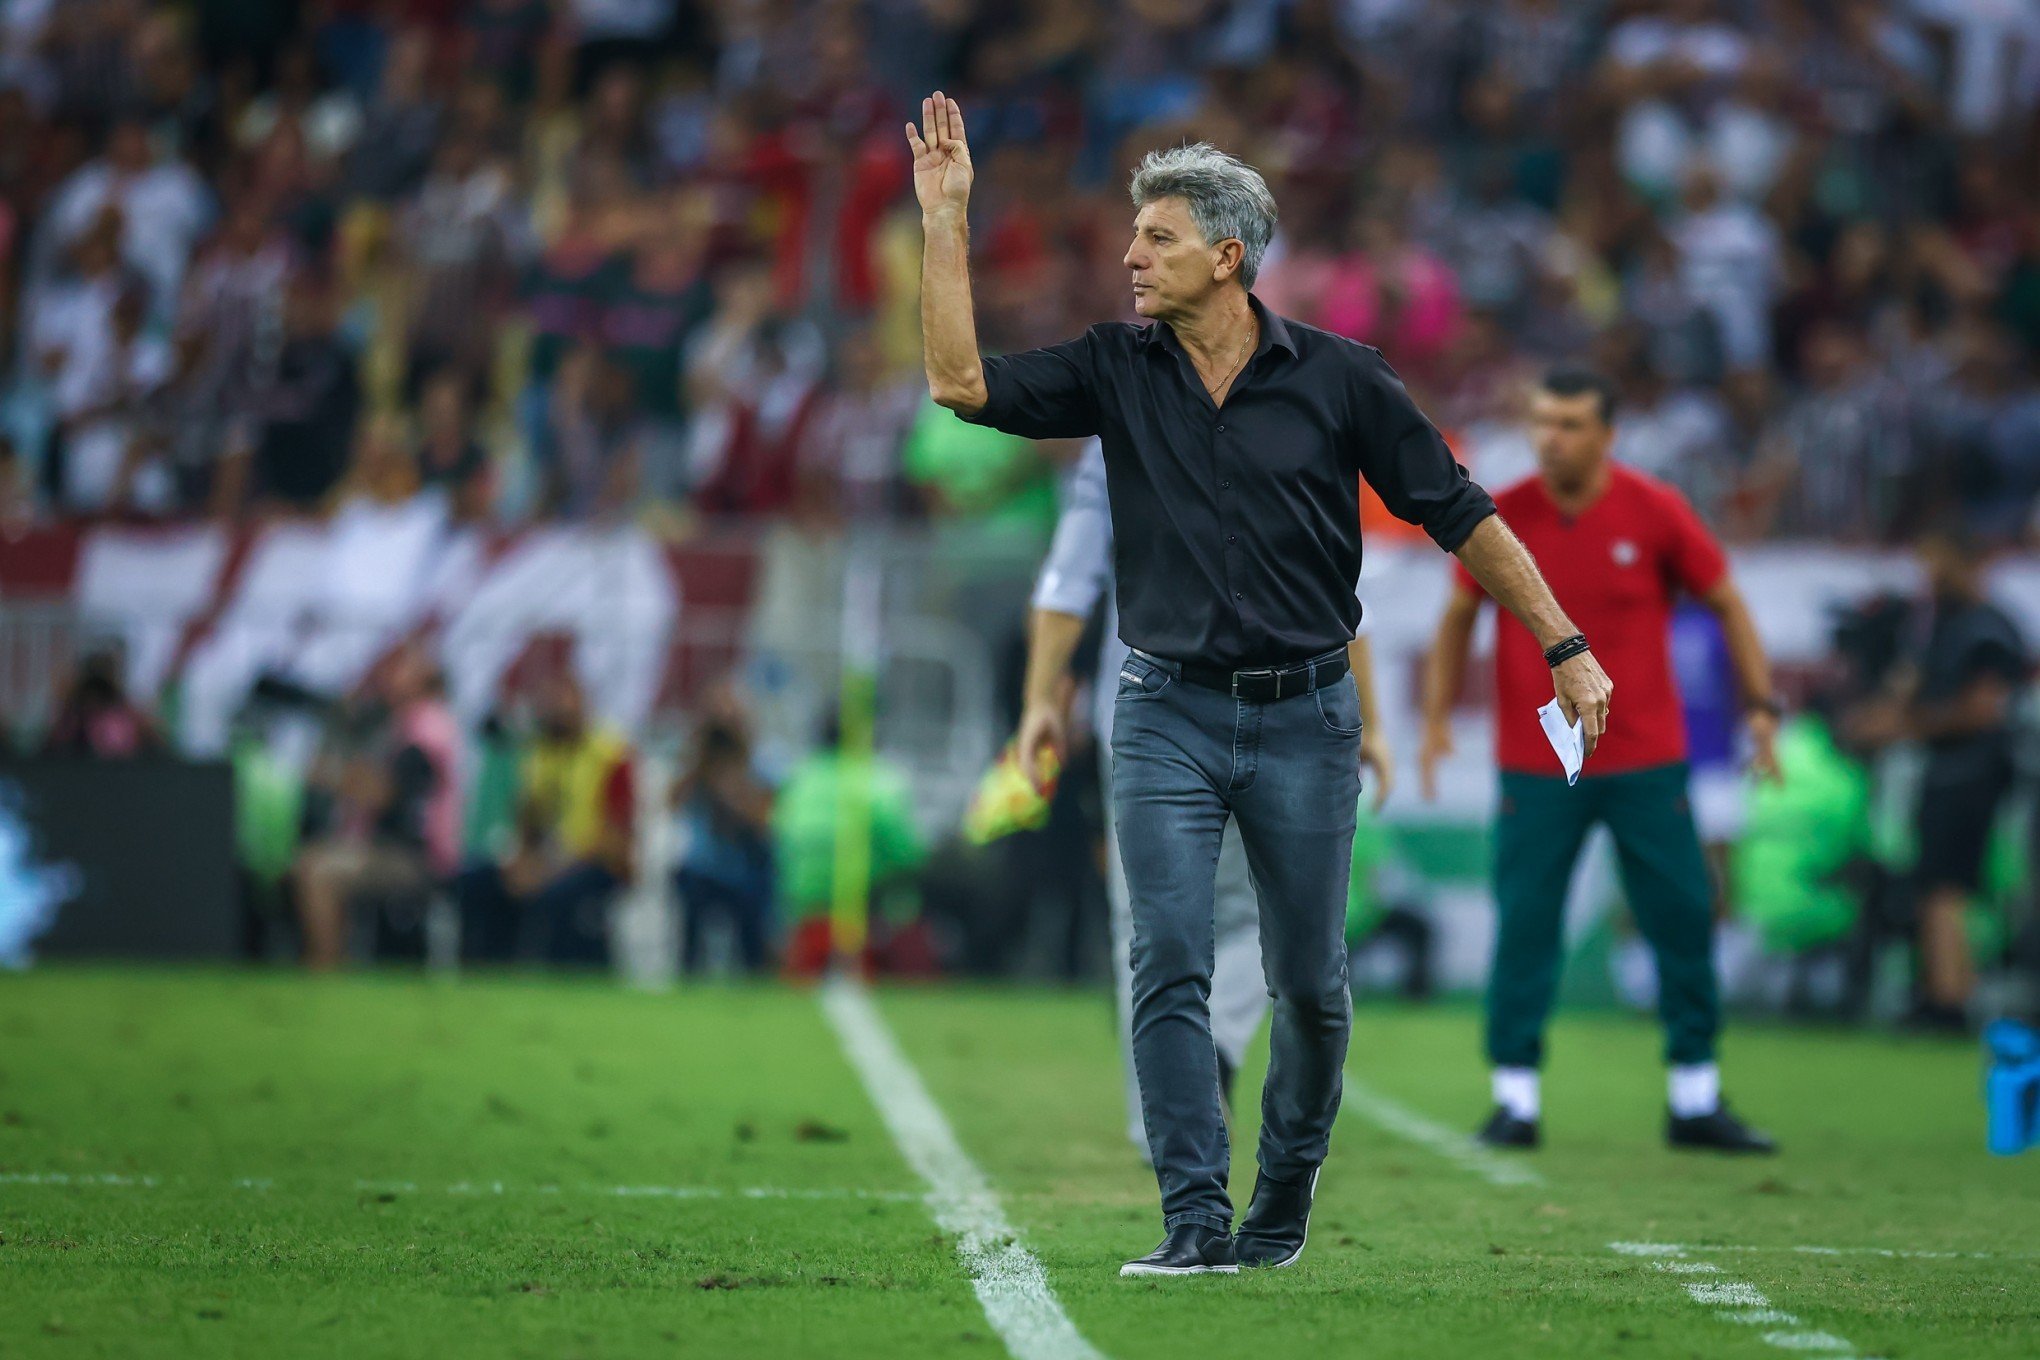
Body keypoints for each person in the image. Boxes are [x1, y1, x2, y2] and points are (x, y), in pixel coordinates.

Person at [910, 94, 1610, 1276]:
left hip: (1305, 720)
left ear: (1228, 257)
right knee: (1168, 960)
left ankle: (1278, 1205)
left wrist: (1564, 641)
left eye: (1159, 238)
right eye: (1134, 237)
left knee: (1311, 988)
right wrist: (945, 220)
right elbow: (960, 385)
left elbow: (1459, 513)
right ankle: (1191, 1217)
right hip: (1164, 714)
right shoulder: (1111, 371)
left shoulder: (1344, 381)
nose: (1131, 257)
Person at [1419, 366, 1782, 1155]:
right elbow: (1455, 614)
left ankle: (1696, 1096)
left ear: (1608, 435)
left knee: (1683, 917)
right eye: (1543, 422)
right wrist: (1440, 717)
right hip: (1537, 762)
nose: (1552, 438)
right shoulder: (1502, 514)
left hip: (1646, 757)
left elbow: (1727, 603)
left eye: (1571, 424)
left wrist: (1761, 707)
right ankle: (1514, 1099)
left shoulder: (1654, 510)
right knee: (1525, 926)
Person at [1020, 439, 1392, 1159]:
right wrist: (1370, 722)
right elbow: (1348, 597)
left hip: (1145, 716)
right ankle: (1214, 1044)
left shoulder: (1115, 438)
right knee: (1286, 917)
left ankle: (1162, 1124)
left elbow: (1068, 581)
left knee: (1150, 922)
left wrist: (1040, 698)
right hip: (1274, 712)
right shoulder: (1286, 417)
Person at [1843, 524, 2030, 1029]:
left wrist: (1907, 726)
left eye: (1937, 561)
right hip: (1945, 771)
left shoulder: (1988, 627)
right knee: (1933, 884)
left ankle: (1951, 1000)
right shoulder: (1937, 624)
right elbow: (1910, 687)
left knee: (1945, 885)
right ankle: (1944, 992)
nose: (1928, 574)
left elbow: (1983, 710)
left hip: (1974, 772)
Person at [458, 672, 634, 966]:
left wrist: (550, 869)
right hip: (547, 860)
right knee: (478, 883)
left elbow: (617, 837)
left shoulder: (611, 753)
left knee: (558, 896)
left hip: (595, 862)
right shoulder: (537, 752)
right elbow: (528, 819)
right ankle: (488, 974)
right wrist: (521, 860)